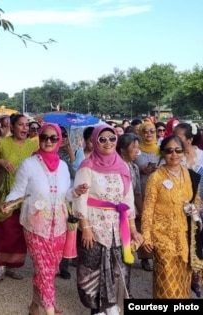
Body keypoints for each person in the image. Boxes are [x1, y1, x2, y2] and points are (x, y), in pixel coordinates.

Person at [1, 123, 88, 315]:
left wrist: (76, 192)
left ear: (59, 141)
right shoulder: (28, 164)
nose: (48, 141)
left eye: (53, 138)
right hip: (35, 225)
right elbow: (17, 191)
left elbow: (66, 195)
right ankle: (49, 309)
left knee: (47, 271)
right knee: (43, 269)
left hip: (59, 227)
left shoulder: (64, 167)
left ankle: (34, 306)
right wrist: (9, 202)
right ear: (39, 139)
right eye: (44, 137)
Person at [72, 124, 143, 315]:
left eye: (112, 138)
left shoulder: (122, 166)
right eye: (102, 139)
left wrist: (133, 229)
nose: (108, 143)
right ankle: (96, 308)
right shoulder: (87, 167)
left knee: (117, 267)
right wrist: (85, 227)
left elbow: (127, 199)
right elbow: (80, 198)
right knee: (92, 267)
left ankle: (112, 305)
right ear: (95, 141)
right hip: (95, 225)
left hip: (118, 228)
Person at [142, 135, 201, 298]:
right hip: (163, 238)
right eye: (169, 151)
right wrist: (147, 236)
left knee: (183, 283)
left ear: (183, 152)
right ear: (162, 153)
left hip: (185, 237)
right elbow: (148, 209)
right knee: (166, 284)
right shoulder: (156, 178)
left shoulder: (190, 176)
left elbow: (196, 199)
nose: (174, 154)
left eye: (178, 150)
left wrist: (194, 208)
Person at [0, 113, 38, 281]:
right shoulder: (2, 143)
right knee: (4, 230)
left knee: (18, 232)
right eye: (21, 125)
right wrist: (0, 162)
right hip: (5, 193)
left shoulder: (32, 146)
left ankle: (12, 266)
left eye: (26, 125)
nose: (25, 128)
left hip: (25, 195)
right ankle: (1, 266)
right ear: (13, 126)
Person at [173, 122, 203, 297]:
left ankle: (195, 277)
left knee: (197, 244)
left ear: (190, 139)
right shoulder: (173, 156)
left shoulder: (201, 157)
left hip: (199, 208)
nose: (174, 140)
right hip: (177, 210)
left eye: (179, 137)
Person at [116, 133, 143, 298]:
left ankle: (126, 292)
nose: (137, 151)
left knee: (127, 254)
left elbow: (137, 192)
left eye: (138, 148)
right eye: (134, 148)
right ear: (122, 150)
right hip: (115, 217)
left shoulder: (133, 167)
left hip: (129, 217)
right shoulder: (114, 167)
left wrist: (140, 211)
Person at [57, 125, 85, 280]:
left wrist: (71, 154)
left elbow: (79, 173)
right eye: (59, 135)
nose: (63, 138)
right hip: (55, 196)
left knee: (70, 230)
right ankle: (53, 262)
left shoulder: (78, 151)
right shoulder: (51, 150)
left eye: (65, 134)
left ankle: (64, 265)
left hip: (71, 196)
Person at [133, 121, 159, 271]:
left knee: (156, 224)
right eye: (145, 131)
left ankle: (156, 253)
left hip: (157, 191)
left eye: (152, 131)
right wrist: (140, 170)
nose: (149, 134)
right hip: (140, 190)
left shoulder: (161, 150)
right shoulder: (137, 150)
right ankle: (144, 257)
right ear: (141, 133)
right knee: (142, 224)